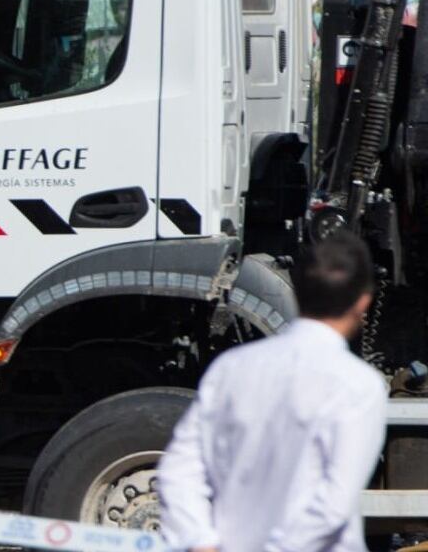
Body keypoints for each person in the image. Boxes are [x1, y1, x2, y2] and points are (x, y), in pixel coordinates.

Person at [157, 230, 388, 552]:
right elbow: (334, 503)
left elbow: (179, 470)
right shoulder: (359, 385)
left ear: (297, 290)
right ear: (363, 300)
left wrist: (200, 539)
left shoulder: (231, 368)